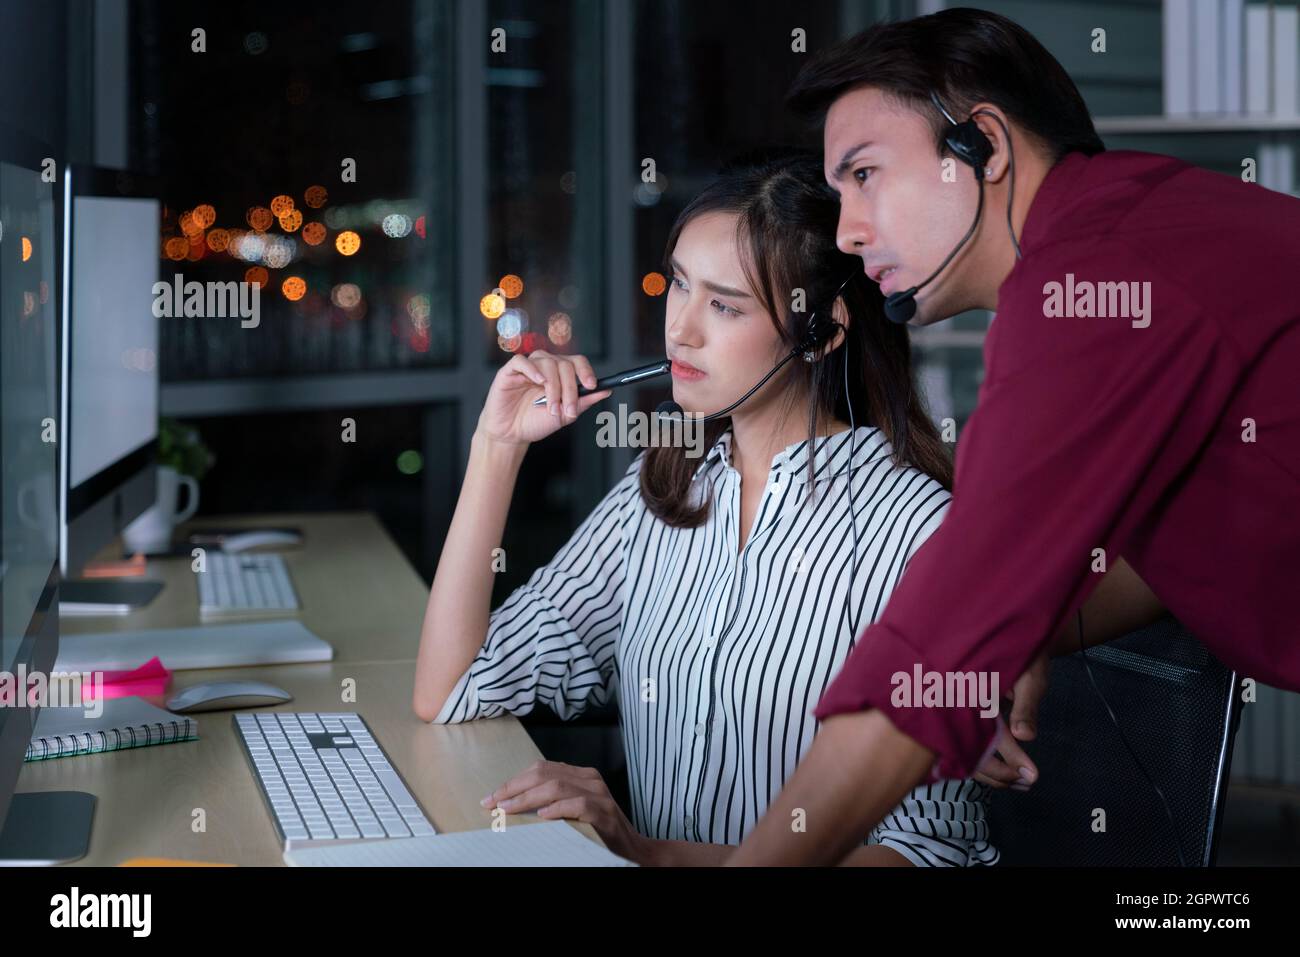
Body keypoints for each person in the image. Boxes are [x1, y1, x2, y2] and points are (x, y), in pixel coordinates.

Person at [729, 8, 1300, 865]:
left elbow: (940, 643)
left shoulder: (1092, 282)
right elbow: (1196, 535)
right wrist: (1023, 624)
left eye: (866, 174)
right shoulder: (1139, 223)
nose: (847, 231)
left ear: (982, 148)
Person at [413, 149, 1008, 866]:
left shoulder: (914, 530)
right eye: (679, 288)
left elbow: (927, 852)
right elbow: (453, 688)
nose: (681, 331)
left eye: (725, 305)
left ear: (822, 331)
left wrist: (651, 853)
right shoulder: (663, 489)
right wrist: (496, 446)